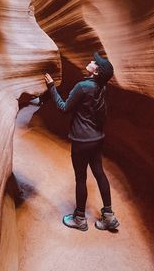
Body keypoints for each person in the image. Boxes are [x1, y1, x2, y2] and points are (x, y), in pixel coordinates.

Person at [44, 52, 119, 232]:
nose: (92, 61)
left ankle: (79, 218)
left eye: (96, 63)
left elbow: (64, 108)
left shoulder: (83, 87)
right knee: (99, 173)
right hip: (97, 138)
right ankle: (108, 216)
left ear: (96, 72)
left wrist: (51, 87)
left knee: (81, 178)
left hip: (82, 140)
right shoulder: (101, 86)